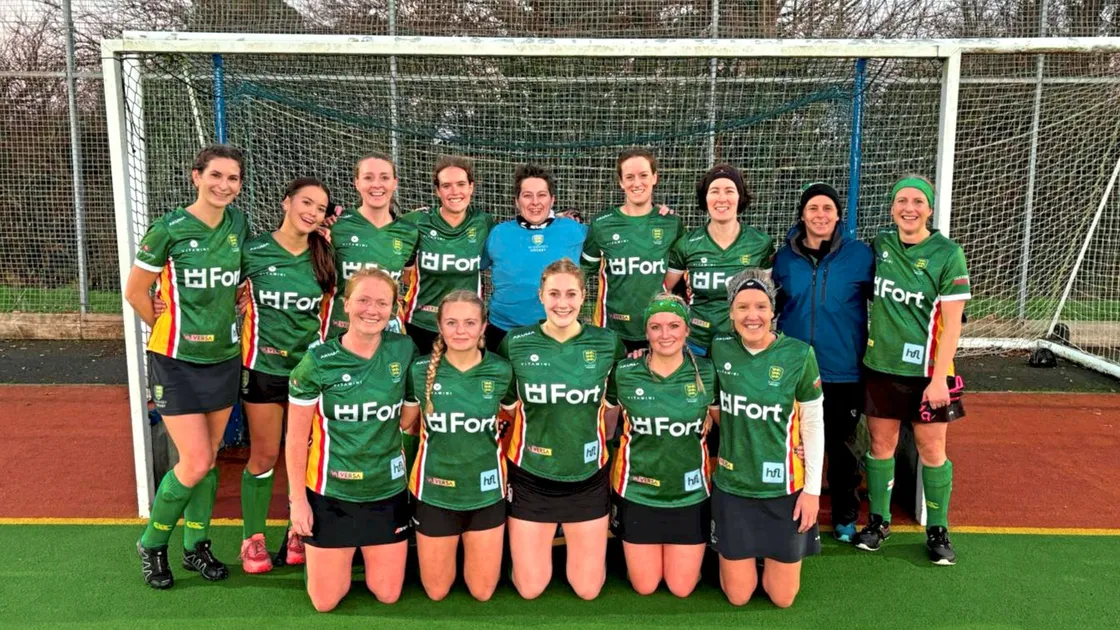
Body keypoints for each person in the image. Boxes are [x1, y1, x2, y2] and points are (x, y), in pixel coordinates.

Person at [125, 144, 248, 589]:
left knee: (208, 459)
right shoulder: (168, 229)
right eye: (216, 175)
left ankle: (197, 547)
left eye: (233, 178)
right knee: (194, 460)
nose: (224, 185)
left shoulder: (239, 223)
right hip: (175, 361)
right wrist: (165, 324)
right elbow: (136, 291)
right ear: (196, 176)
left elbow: (236, 282)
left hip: (223, 359)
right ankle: (152, 543)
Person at [855, 175, 971, 566]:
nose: (909, 208)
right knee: (880, 447)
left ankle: (937, 529)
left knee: (932, 450)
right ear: (891, 208)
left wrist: (939, 378)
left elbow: (953, 325)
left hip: (928, 373)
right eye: (902, 200)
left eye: (918, 202)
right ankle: (878, 521)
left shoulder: (948, 253)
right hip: (881, 366)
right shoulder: (882, 246)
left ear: (929, 208)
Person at [285, 267, 417, 611]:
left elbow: (407, 417)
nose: (371, 310)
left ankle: (361, 552)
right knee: (325, 601)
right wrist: (297, 502)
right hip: (331, 494)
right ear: (346, 305)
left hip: (385, 491)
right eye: (363, 300)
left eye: (382, 303)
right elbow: (296, 437)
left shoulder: (403, 350)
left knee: (387, 593)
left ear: (394, 309)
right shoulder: (316, 362)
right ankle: (334, 554)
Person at [498, 258, 626, 600]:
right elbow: (508, 410)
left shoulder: (607, 343)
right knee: (529, 588)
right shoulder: (515, 343)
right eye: (554, 293)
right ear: (541, 295)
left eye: (571, 294)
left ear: (584, 296)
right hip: (531, 476)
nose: (562, 303)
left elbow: (611, 408)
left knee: (587, 589)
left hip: (587, 476)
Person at [708, 269, 824, 608]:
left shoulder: (800, 355)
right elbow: (710, 400)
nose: (752, 316)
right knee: (738, 596)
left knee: (783, 598)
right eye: (742, 307)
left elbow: (814, 424)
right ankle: (748, 555)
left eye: (760, 306)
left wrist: (812, 491)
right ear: (731, 312)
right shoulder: (720, 348)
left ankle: (766, 555)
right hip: (734, 486)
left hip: (784, 489)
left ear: (773, 311)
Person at [237, 177, 336, 573]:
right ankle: (253, 539)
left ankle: (298, 530)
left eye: (320, 208)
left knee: (307, 455)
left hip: (309, 373)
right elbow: (223, 287)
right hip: (263, 368)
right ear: (286, 203)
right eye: (306, 203)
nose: (311, 212)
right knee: (263, 454)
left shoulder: (325, 254)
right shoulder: (255, 251)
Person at [772, 182, 874, 543]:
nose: (820, 215)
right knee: (794, 443)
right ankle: (795, 510)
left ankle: (846, 515)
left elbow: (891, 299)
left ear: (837, 216)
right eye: (813, 208)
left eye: (827, 209)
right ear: (802, 214)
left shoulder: (861, 255)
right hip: (793, 370)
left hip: (842, 369)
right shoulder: (782, 257)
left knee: (842, 448)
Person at [400, 290, 514, 601]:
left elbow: (517, 420)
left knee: (482, 592)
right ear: (439, 325)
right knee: (436, 592)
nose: (460, 331)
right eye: (451, 322)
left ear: (483, 326)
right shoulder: (420, 369)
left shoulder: (502, 370)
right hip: (434, 492)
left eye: (469, 323)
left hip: (486, 492)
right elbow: (404, 423)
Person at [607, 293, 716, 597]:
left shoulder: (707, 372)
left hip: (689, 494)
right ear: (646, 332)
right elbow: (606, 426)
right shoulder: (625, 372)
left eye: (674, 325)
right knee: (645, 586)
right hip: (638, 492)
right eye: (656, 327)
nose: (665, 334)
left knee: (681, 588)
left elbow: (732, 426)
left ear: (687, 330)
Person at [582, 148, 685, 353]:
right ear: (621, 182)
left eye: (643, 175)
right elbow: (582, 273)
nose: (637, 183)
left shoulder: (672, 224)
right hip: (611, 330)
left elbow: (683, 275)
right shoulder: (602, 225)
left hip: (659, 330)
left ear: (655, 177)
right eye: (629, 177)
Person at [665, 164, 774, 357]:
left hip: (741, 345)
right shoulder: (687, 244)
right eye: (714, 191)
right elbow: (665, 291)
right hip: (696, 344)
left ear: (739, 197)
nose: (722, 198)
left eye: (729, 191)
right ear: (705, 198)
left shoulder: (760, 243)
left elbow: (766, 297)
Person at [484, 163, 587, 352]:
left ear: (552, 199)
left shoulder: (574, 230)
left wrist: (657, 211)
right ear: (517, 201)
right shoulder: (498, 233)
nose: (535, 202)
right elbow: (474, 267)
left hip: (557, 332)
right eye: (527, 195)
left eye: (541, 195)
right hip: (503, 330)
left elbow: (605, 247)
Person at [401, 155, 494, 355]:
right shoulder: (417, 221)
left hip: (467, 327)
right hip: (421, 323)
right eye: (446, 186)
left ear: (471, 187)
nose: (455, 192)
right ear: (437, 191)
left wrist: (553, 218)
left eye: (461, 184)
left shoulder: (484, 223)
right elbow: (380, 229)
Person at [324, 152, 420, 340]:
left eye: (384, 177)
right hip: (339, 332)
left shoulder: (409, 232)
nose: (377, 184)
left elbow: (409, 280)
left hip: (387, 334)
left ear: (395, 182)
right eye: (368, 178)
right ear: (357, 183)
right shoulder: (335, 225)